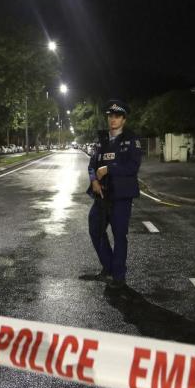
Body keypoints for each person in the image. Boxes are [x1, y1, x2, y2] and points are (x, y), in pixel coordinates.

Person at [87, 99, 142, 289]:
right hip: (102, 195)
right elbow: (92, 165)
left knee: (119, 235)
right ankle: (108, 267)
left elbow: (132, 167)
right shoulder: (101, 140)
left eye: (117, 116)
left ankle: (119, 275)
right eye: (111, 116)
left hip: (121, 196)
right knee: (95, 229)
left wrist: (109, 169)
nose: (113, 119)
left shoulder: (131, 140)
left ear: (124, 119)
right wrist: (94, 180)